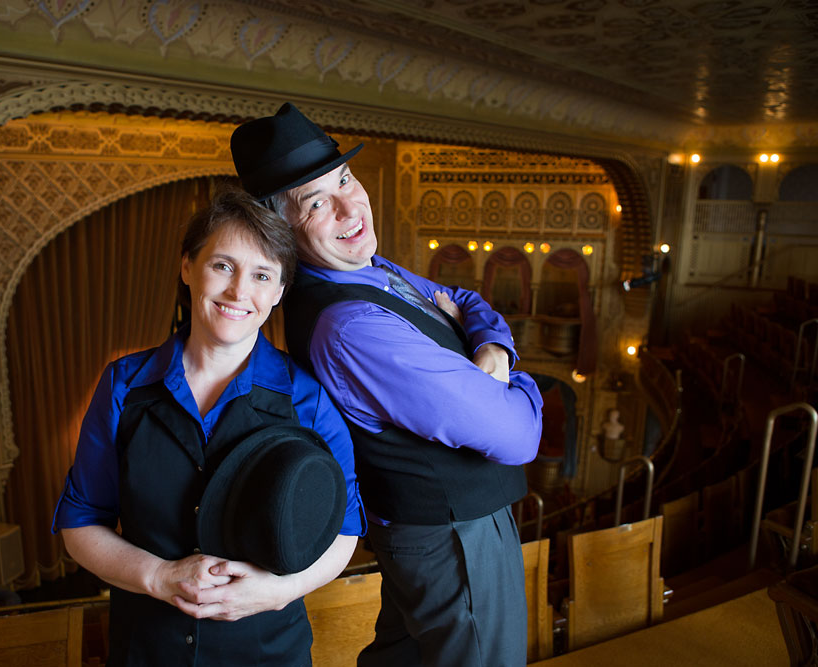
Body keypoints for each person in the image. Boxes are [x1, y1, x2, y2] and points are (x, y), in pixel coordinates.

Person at [231, 103, 543, 667]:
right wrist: (520, 381)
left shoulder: (370, 269)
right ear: (282, 227)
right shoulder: (353, 326)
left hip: (440, 532)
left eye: (346, 179)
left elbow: (467, 299)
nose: (351, 206)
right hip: (455, 539)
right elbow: (518, 434)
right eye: (318, 201)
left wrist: (492, 349)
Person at [52, 189, 365, 666]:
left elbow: (345, 530)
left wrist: (277, 592)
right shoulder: (122, 386)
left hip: (268, 654)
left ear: (279, 292)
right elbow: (80, 522)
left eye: (262, 275)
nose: (240, 292)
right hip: (146, 652)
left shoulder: (309, 400)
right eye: (223, 266)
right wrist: (159, 576)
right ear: (187, 269)